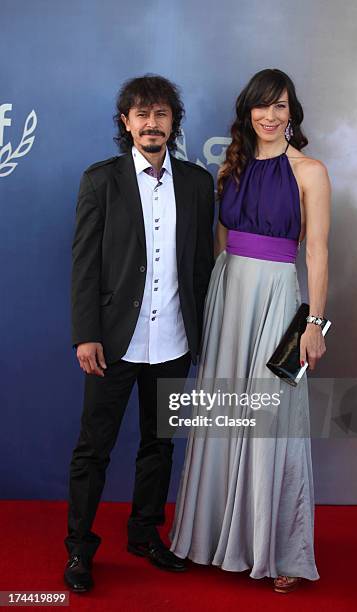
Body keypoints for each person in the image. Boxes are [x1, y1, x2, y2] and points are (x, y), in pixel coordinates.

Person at [170, 68, 331, 594]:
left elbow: (317, 253)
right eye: (262, 106)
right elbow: (222, 244)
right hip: (230, 295)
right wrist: (217, 304)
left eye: (280, 106)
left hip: (280, 300)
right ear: (248, 112)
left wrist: (313, 324)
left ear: (293, 113)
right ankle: (214, 537)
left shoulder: (310, 171)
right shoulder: (230, 166)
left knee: (273, 419)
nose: (270, 115)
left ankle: (280, 549)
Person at [64, 74, 215, 593]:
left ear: (173, 123)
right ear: (125, 123)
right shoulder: (100, 180)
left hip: (174, 340)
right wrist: (87, 334)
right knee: (94, 448)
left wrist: (201, 335)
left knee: (159, 445)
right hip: (112, 341)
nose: (152, 124)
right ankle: (80, 550)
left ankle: (145, 534)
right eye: (141, 115)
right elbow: (84, 265)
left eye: (162, 115)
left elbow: (202, 266)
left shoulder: (197, 183)